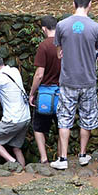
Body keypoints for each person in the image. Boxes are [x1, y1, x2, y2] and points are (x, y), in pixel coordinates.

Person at [51, 0, 98, 170]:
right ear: (90, 4)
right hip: (88, 80)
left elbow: (59, 52)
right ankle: (82, 155)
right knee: (87, 118)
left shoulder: (61, 25)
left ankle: (63, 158)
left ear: (73, 4)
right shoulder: (97, 28)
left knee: (65, 118)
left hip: (67, 80)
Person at [28, 16, 61, 163]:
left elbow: (39, 74)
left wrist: (32, 93)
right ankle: (62, 157)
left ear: (44, 29)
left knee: (39, 127)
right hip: (63, 92)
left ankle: (44, 158)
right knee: (62, 126)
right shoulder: (64, 44)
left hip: (46, 93)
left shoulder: (44, 46)